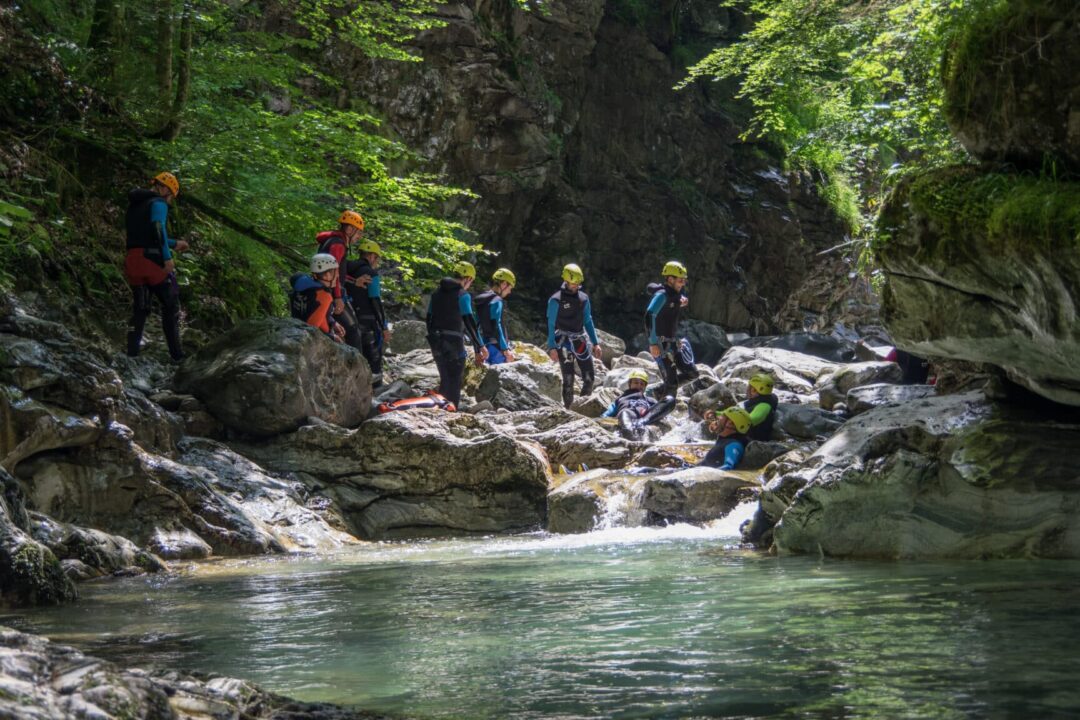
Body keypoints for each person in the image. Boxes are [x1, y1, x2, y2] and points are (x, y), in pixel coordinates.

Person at [124, 171, 188, 361]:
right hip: (152, 262)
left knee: (140, 309)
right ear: (166, 190)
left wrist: (175, 243)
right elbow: (157, 228)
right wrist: (167, 258)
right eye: (171, 197)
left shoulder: (135, 205)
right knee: (172, 303)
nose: (170, 202)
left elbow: (147, 235)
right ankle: (177, 355)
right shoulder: (159, 203)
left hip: (132, 260)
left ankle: (131, 353)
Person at [426, 261, 487, 408]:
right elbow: (468, 320)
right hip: (454, 342)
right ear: (468, 278)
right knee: (455, 380)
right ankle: (450, 413)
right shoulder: (462, 294)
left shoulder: (436, 293)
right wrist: (479, 347)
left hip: (436, 340)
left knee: (445, 379)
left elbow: (428, 318)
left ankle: (441, 409)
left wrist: (435, 337)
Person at [547, 263, 602, 408]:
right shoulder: (555, 300)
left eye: (578, 283)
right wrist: (551, 346)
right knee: (568, 380)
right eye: (573, 283)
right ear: (566, 280)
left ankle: (582, 407)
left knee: (589, 378)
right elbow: (551, 325)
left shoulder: (583, 298)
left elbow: (588, 321)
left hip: (579, 339)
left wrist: (596, 343)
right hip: (563, 342)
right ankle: (568, 410)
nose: (576, 286)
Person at [645, 260, 699, 396]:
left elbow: (672, 300)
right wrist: (652, 343)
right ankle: (661, 397)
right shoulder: (661, 295)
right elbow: (649, 315)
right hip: (660, 346)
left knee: (692, 374)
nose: (683, 283)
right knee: (671, 386)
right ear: (670, 279)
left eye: (684, 281)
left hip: (674, 343)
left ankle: (656, 393)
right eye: (681, 281)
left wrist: (681, 300)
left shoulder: (674, 294)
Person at [315, 210, 365, 351]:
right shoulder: (338, 244)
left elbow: (338, 272)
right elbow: (333, 272)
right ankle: (358, 370)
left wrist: (355, 282)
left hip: (326, 291)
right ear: (349, 229)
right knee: (353, 331)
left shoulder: (334, 241)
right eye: (358, 232)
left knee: (337, 330)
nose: (359, 237)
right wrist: (337, 297)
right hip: (331, 294)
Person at [344, 239, 390, 387]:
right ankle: (375, 393)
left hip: (348, 318)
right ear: (371, 256)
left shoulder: (346, 270)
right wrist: (383, 327)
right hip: (367, 321)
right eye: (376, 258)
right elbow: (375, 300)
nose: (376, 262)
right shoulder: (371, 274)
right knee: (373, 359)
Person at [601, 369, 676, 440]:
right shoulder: (620, 399)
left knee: (670, 399)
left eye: (642, 384)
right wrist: (604, 419)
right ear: (630, 384)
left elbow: (658, 409)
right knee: (624, 413)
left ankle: (642, 422)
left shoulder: (649, 399)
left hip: (646, 416)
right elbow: (607, 414)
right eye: (636, 383)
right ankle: (632, 436)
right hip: (629, 414)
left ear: (645, 387)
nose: (639, 386)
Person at [290, 253, 345, 342]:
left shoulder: (303, 287)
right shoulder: (324, 296)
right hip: (311, 340)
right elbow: (312, 327)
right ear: (327, 275)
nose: (338, 275)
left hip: (295, 329)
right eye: (336, 272)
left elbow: (315, 313)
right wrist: (332, 337)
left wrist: (333, 322)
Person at [474, 268, 517, 365]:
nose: (509, 292)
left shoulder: (479, 299)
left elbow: (475, 327)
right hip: (497, 349)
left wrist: (477, 349)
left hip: (484, 347)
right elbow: (496, 325)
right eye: (510, 288)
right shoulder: (497, 300)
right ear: (504, 284)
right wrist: (505, 349)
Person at [698, 406, 752, 470]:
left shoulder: (734, 445)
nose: (718, 417)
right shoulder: (724, 440)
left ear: (730, 423)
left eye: (722, 416)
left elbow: (729, 467)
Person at [742, 373, 778, 441]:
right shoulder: (761, 402)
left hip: (754, 442)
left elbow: (750, 421)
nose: (747, 390)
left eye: (750, 388)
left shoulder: (763, 406)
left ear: (755, 391)